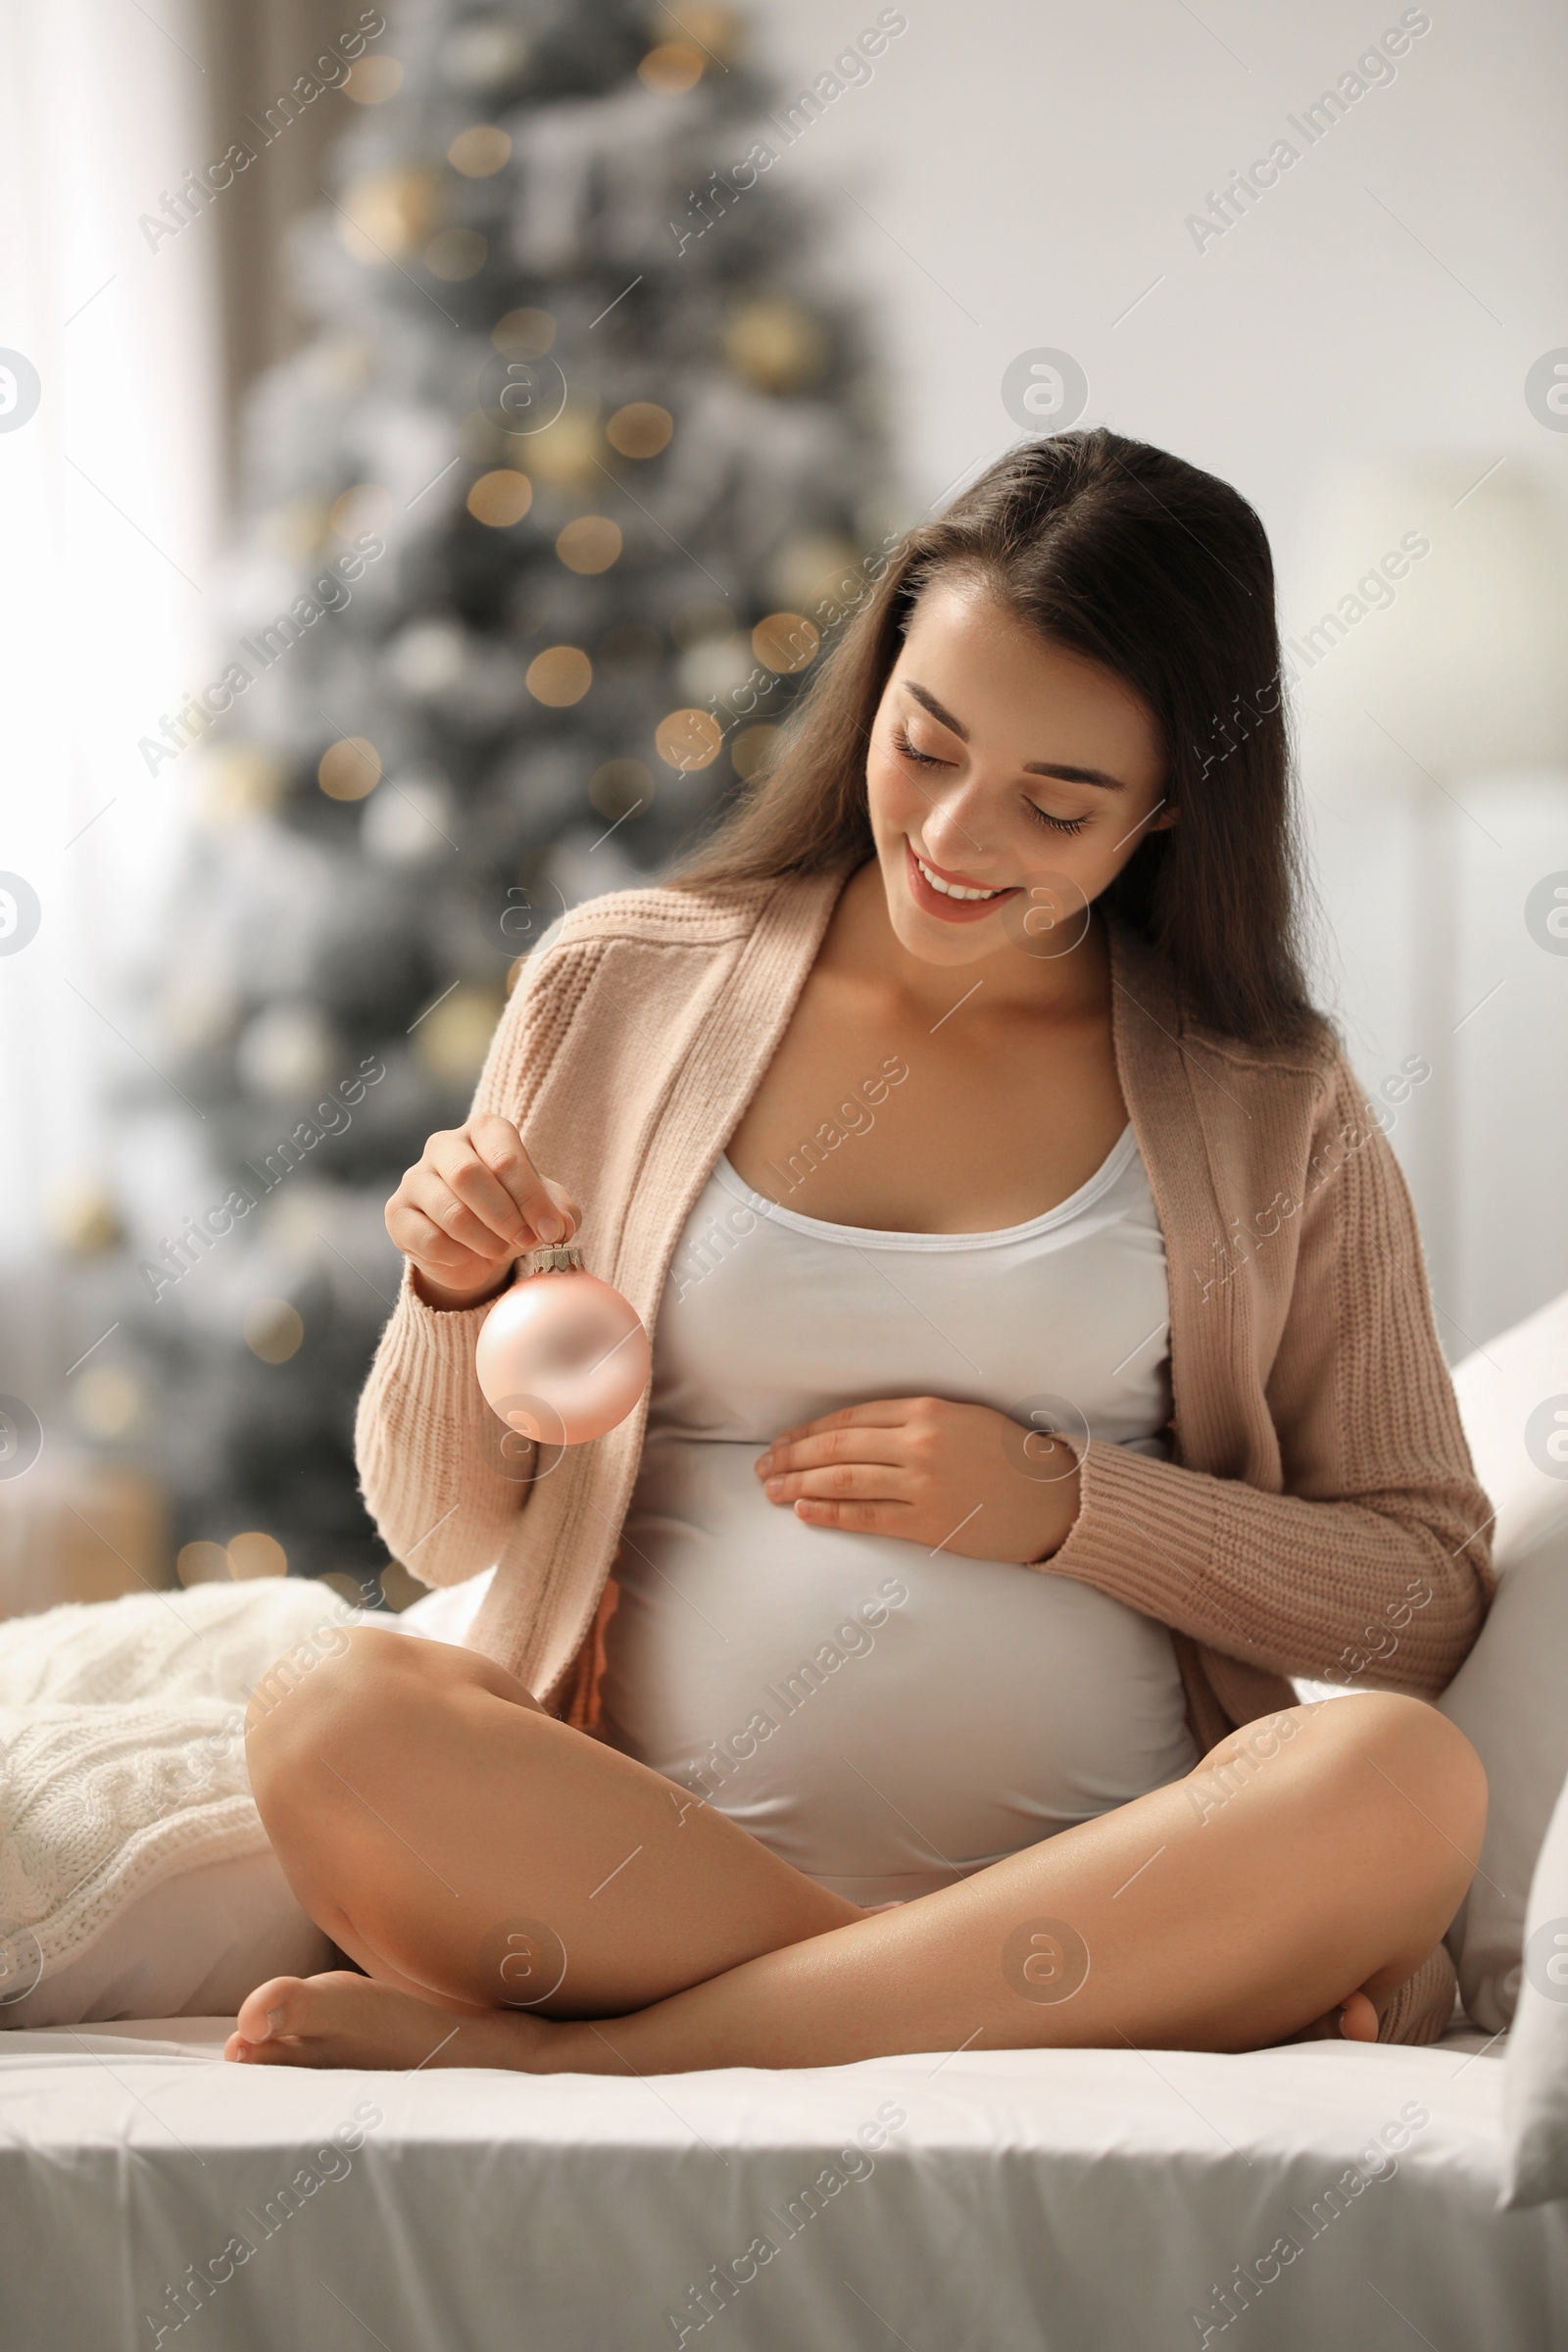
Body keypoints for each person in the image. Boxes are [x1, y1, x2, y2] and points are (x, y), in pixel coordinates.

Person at [225, 429, 1491, 2077]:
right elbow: (445, 1523)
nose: (959, 837)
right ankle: (950, 2003)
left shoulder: (1272, 1100)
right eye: (928, 744)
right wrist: (456, 1299)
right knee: (326, 1709)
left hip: (1117, 1870)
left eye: (1058, 801)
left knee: (1401, 1775)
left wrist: (1065, 1507)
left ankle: (590, 2061)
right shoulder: (621, 990)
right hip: (660, 1884)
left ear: (1171, 809)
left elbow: (1419, 1596)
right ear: (878, 681)